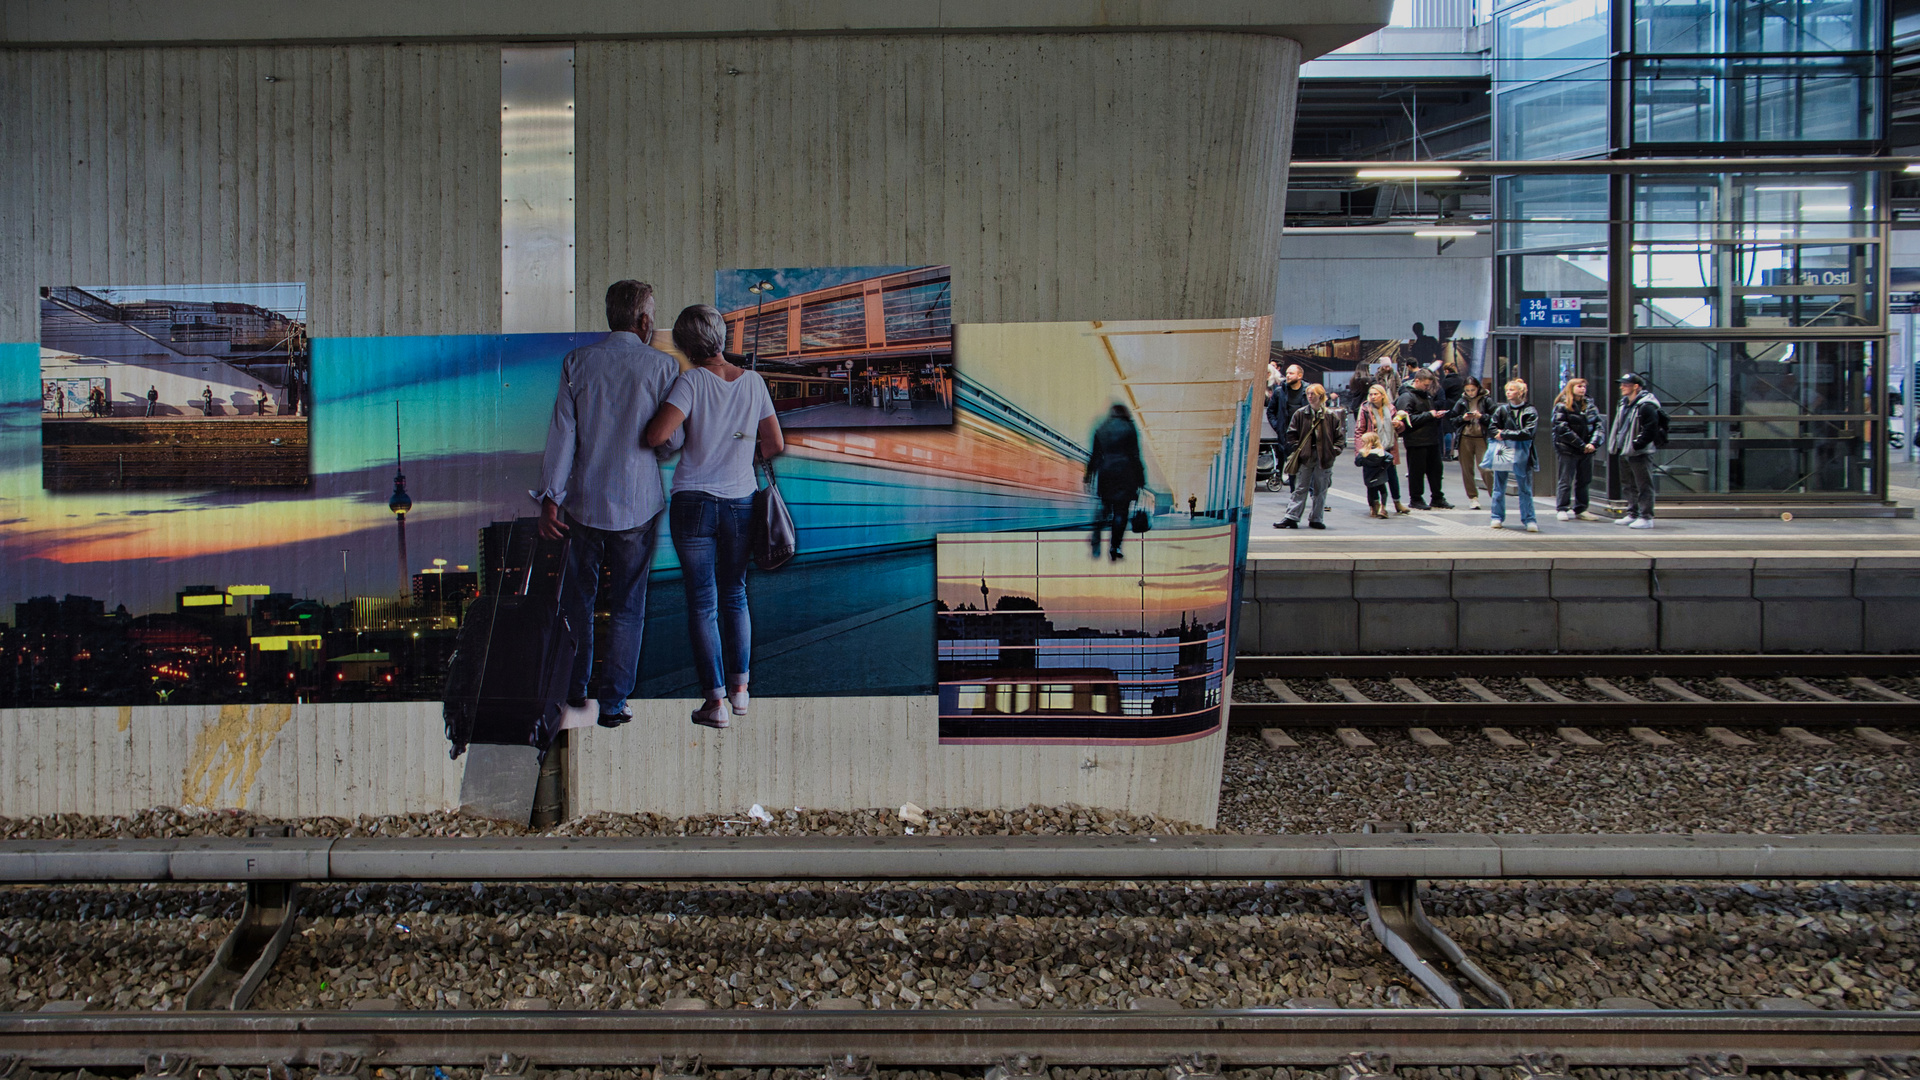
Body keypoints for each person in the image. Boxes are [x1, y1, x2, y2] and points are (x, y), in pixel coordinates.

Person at [538, 279, 683, 729]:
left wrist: (550, 499)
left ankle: (576, 691)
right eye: (652, 314)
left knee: (577, 603)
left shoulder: (577, 363)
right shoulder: (663, 368)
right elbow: (669, 442)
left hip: (584, 504)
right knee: (627, 606)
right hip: (638, 504)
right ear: (643, 321)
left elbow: (563, 437)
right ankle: (615, 703)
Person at [645, 304, 785, 729]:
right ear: (721, 338)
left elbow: (655, 435)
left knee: (703, 604)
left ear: (687, 345)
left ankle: (715, 703)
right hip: (741, 503)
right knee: (735, 595)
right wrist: (741, 455)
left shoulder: (691, 382)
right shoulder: (755, 382)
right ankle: (741, 692)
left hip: (693, 505)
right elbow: (774, 443)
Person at [1274, 384, 1344, 530]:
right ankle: (1292, 517)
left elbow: (1339, 438)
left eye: (1313, 394)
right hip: (1306, 456)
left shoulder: (1330, 416)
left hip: (1324, 457)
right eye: (1308, 394)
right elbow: (1291, 434)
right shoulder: (1301, 414)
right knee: (1300, 487)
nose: (1310, 397)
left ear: (1321, 396)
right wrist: (1296, 450)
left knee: (1321, 489)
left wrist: (1333, 451)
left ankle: (1316, 518)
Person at [1084, 403, 1147, 561]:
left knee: (1105, 507)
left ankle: (1096, 535)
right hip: (1126, 474)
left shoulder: (1101, 428)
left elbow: (1095, 456)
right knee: (1121, 512)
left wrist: (1089, 476)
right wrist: (1141, 479)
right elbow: (1135, 455)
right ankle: (1115, 546)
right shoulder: (1129, 428)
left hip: (1106, 473)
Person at [1608, 372, 1662, 529]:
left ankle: (1646, 516)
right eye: (1622, 384)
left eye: (1626, 384)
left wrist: (1638, 444)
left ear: (1636, 387)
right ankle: (1632, 512)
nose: (1622, 387)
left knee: (1643, 484)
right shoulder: (1624, 403)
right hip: (1625, 449)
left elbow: (1650, 429)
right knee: (1628, 483)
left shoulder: (1646, 405)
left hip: (1639, 452)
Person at [1394, 368, 1453, 510]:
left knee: (1436, 470)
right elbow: (1406, 419)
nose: (1428, 388)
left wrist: (1434, 415)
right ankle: (1416, 498)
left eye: (1429, 386)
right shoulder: (1406, 397)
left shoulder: (1426, 396)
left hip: (1431, 439)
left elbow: (1425, 414)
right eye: (1426, 385)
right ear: (1417, 381)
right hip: (1416, 440)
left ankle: (1437, 497)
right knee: (1416, 472)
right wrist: (1429, 415)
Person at [1486, 378, 1540, 532]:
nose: (1508, 393)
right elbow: (1492, 427)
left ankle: (1529, 519)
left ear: (1521, 392)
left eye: (1512, 390)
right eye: (1507, 390)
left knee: (1525, 488)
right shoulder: (1502, 410)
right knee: (1499, 486)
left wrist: (1504, 434)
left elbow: (1528, 433)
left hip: (1522, 450)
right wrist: (1502, 434)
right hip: (1504, 449)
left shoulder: (1530, 411)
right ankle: (1496, 516)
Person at [1550, 377, 1605, 521]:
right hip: (1568, 449)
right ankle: (1562, 507)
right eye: (1579, 386)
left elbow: (1599, 426)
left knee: (1584, 480)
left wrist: (1593, 444)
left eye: (1584, 387)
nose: (1582, 389)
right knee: (1566, 479)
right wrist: (1581, 444)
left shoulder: (1590, 406)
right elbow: (1562, 428)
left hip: (1587, 450)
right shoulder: (1562, 406)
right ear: (1571, 388)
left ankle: (1581, 508)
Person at [1352, 382, 1409, 514]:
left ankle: (1397, 502)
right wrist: (1361, 451)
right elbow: (1359, 430)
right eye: (1371, 394)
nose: (1373, 397)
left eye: (1376, 394)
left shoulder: (1391, 408)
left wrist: (1398, 424)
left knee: (1392, 477)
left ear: (1382, 395)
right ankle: (1374, 505)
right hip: (1372, 449)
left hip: (1388, 447)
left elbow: (1401, 428)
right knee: (1372, 479)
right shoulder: (1366, 409)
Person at [1448, 377, 1492, 511]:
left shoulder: (1486, 400)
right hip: (1465, 437)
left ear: (1478, 388)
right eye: (1467, 390)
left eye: (1472, 390)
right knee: (1467, 469)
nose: (1470, 393)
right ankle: (1473, 497)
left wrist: (1481, 417)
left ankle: (1494, 495)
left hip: (1481, 437)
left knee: (1486, 469)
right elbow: (1453, 419)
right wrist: (1463, 418)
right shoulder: (1461, 401)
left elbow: (1495, 418)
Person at [1265, 364, 1310, 487]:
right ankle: (1294, 492)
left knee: (1307, 465)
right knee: (1292, 465)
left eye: (1291, 373)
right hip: (1288, 435)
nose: (1288, 376)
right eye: (1287, 373)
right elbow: (1270, 411)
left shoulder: (1308, 392)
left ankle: (1309, 492)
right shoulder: (1280, 392)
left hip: (1306, 434)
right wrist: (1278, 426)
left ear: (1300, 376)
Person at [1356, 432, 1394, 519]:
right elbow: (1390, 457)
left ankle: (1372, 508)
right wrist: (1384, 466)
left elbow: (1357, 463)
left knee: (1371, 492)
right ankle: (1383, 507)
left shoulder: (1363, 453)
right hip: (1380, 475)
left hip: (1368, 476)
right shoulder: (1381, 452)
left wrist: (1364, 462)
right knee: (1383, 491)